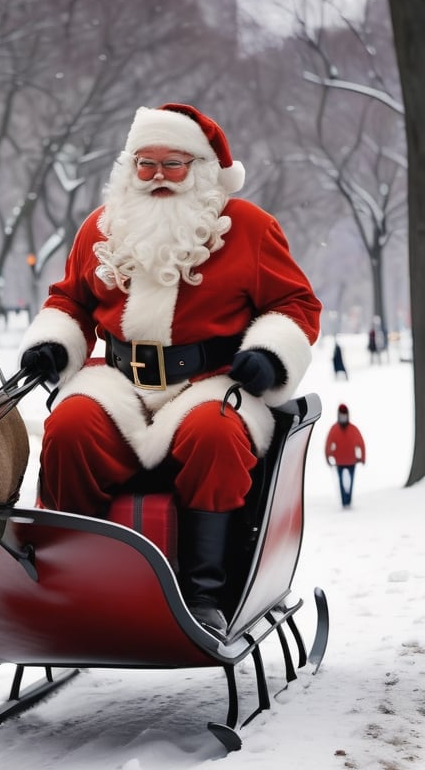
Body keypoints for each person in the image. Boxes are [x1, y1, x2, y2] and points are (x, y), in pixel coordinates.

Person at [19, 102, 321, 634]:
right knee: (67, 430)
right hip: (118, 382)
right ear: (129, 167)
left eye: (173, 164)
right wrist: (54, 344)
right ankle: (77, 587)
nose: (158, 177)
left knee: (214, 435)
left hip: (210, 384)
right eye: (146, 163)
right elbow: (71, 302)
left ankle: (205, 594)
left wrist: (271, 354)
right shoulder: (101, 227)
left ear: (201, 169)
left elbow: (296, 305)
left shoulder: (250, 227)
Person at [325, 403, 366, 508]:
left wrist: (362, 457)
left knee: (350, 481)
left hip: (351, 461)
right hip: (340, 461)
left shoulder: (353, 429)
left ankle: (348, 500)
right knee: (341, 482)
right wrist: (328, 456)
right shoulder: (334, 429)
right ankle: (344, 501)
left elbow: (360, 443)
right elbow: (329, 444)